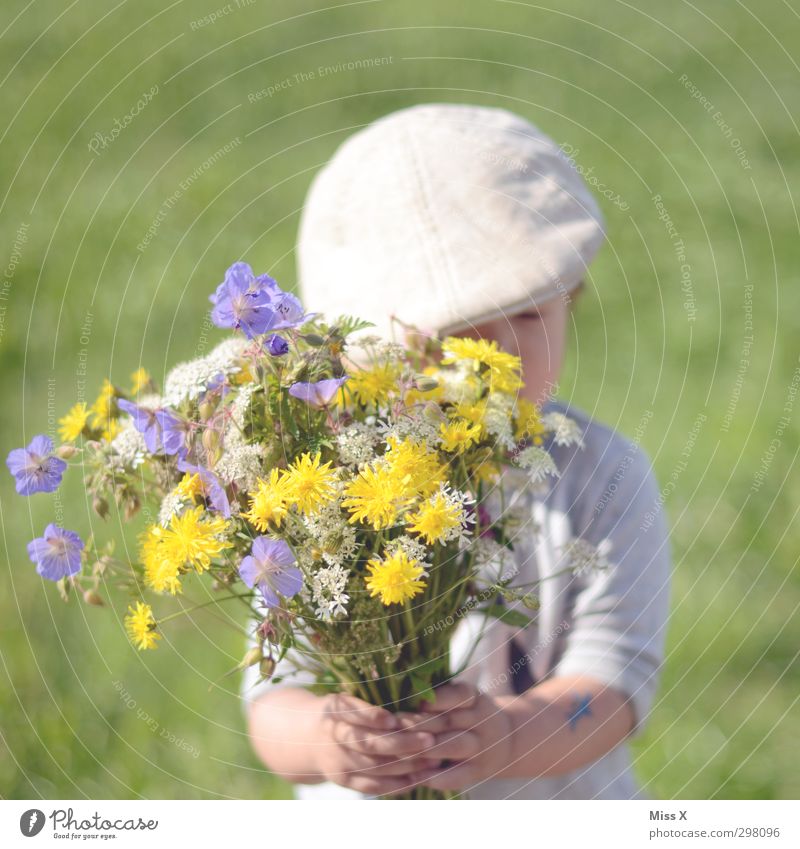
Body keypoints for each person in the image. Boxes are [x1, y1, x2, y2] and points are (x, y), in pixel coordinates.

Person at [242, 104, 671, 799]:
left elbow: (613, 687)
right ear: (362, 353)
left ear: (574, 299)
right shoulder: (319, 496)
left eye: (529, 313)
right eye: (449, 333)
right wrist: (327, 738)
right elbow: (272, 701)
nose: (492, 351)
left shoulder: (607, 478)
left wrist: (508, 736)